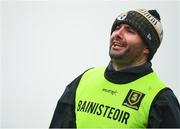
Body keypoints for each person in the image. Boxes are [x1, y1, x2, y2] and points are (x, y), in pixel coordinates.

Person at [49, 9, 180, 128]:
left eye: (130, 30)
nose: (117, 34)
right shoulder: (84, 80)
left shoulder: (160, 98)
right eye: (117, 28)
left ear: (147, 47)